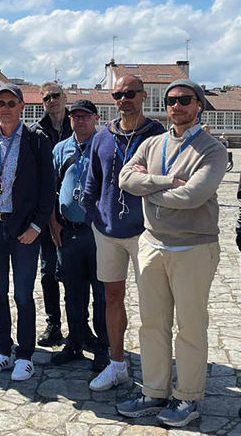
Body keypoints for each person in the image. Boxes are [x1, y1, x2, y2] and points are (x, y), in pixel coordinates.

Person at [116, 79, 227, 427]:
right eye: (170, 100)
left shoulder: (212, 149)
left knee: (190, 327)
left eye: (184, 100)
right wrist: (163, 183)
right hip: (153, 244)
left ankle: (187, 397)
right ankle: (154, 391)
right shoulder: (152, 144)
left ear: (199, 106)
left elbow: (193, 196)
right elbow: (124, 179)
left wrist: (146, 189)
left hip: (194, 247)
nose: (176, 106)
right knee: (152, 325)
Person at [0, 84, 55, 381]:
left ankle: (25, 355)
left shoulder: (37, 141)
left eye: (11, 103)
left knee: (22, 294)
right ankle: (3, 350)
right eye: (0, 102)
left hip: (23, 231)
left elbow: (47, 189)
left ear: (21, 107)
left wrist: (36, 226)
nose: (5, 107)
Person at [83, 75, 165, 391]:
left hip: (146, 233)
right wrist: (94, 217)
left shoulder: (157, 135)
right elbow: (92, 182)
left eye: (130, 93)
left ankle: (156, 372)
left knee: (153, 304)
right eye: (118, 94)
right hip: (107, 232)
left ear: (143, 96)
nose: (123, 99)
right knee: (111, 298)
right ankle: (117, 364)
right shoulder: (103, 137)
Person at [48, 100, 109, 372]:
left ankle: (103, 347)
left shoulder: (105, 146)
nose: (80, 121)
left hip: (97, 233)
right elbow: (49, 189)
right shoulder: (61, 149)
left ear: (96, 118)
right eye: (75, 116)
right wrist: (52, 223)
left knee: (102, 294)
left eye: (85, 116)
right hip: (68, 233)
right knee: (72, 293)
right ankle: (75, 341)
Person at [31, 81, 72, 347]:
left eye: (56, 96)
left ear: (64, 97)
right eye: (47, 98)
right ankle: (53, 324)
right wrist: (47, 216)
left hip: (75, 212)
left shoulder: (78, 123)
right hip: (46, 213)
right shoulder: (36, 132)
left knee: (76, 274)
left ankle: (80, 326)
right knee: (48, 272)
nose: (52, 101)